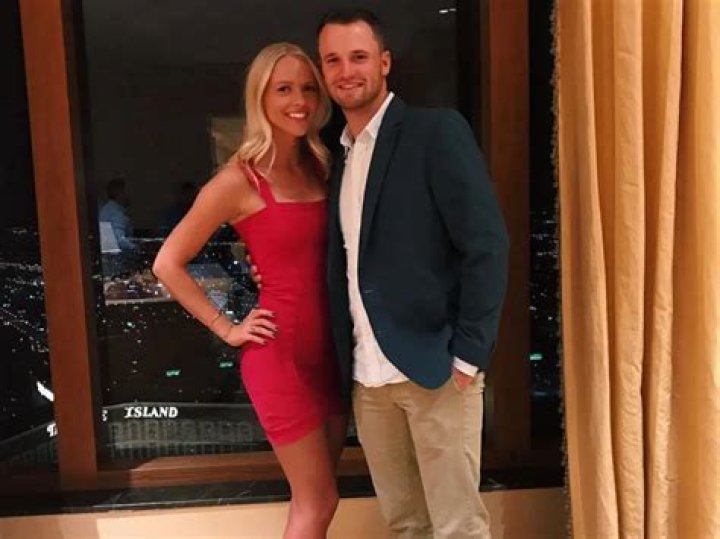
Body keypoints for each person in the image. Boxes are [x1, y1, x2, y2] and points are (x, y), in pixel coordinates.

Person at [318, 9, 509, 539]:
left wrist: (468, 356)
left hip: (436, 370)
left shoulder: (434, 132)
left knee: (457, 528)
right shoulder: (339, 159)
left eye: (358, 57)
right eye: (333, 60)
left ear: (384, 62)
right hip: (368, 379)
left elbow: (486, 246)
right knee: (405, 526)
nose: (346, 71)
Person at [152, 42, 346, 539]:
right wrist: (226, 327)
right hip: (280, 356)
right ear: (260, 97)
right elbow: (167, 263)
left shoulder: (324, 166)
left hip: (332, 354)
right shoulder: (237, 181)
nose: (299, 101)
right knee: (318, 501)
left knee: (319, 501)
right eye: (284, 89)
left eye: (308, 88)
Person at [99, 177, 134, 250]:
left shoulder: (108, 208)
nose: (130, 195)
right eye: (126, 191)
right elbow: (120, 241)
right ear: (119, 193)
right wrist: (136, 247)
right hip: (115, 254)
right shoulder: (116, 213)